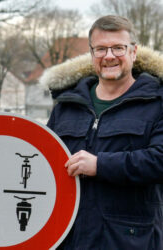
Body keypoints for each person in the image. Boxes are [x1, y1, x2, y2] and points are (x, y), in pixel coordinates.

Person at [40, 15, 163, 249]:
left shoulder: (156, 102)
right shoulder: (67, 105)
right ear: (91, 54)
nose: (109, 56)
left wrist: (100, 165)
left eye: (118, 48)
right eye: (100, 49)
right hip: (70, 239)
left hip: (131, 240)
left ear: (134, 52)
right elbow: (38, 160)